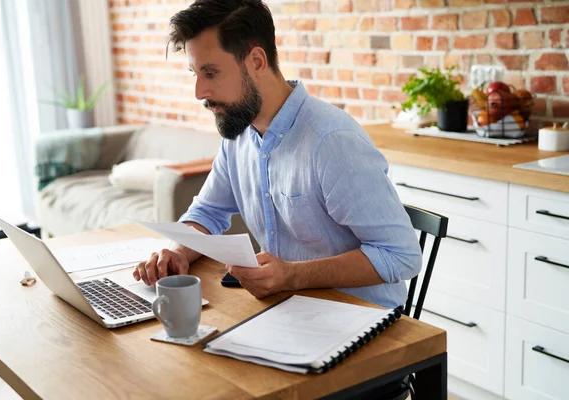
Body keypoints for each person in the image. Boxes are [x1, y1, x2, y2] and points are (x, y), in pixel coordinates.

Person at [133, 0, 422, 309]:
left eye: (211, 73)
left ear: (256, 61)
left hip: (362, 322)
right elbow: (207, 213)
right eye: (195, 74)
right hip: (290, 310)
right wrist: (178, 250)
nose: (199, 91)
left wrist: (293, 276)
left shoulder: (332, 142)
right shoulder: (240, 135)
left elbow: (401, 256)